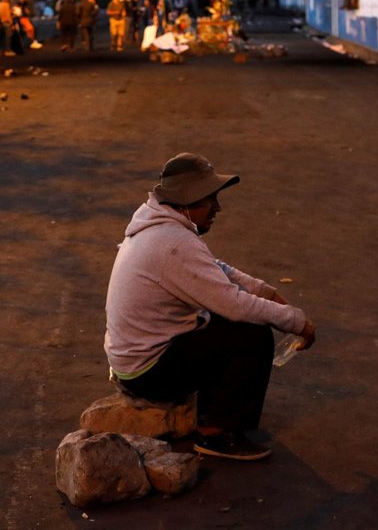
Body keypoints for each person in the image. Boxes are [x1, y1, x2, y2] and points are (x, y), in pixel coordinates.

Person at [104, 153, 317, 461]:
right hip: (145, 372)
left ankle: (211, 414)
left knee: (227, 320)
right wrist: (296, 321)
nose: (217, 208)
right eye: (210, 200)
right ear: (187, 202)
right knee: (250, 336)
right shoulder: (173, 242)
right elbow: (234, 304)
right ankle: (216, 434)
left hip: (134, 359)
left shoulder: (160, 223)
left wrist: (268, 294)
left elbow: (218, 270)